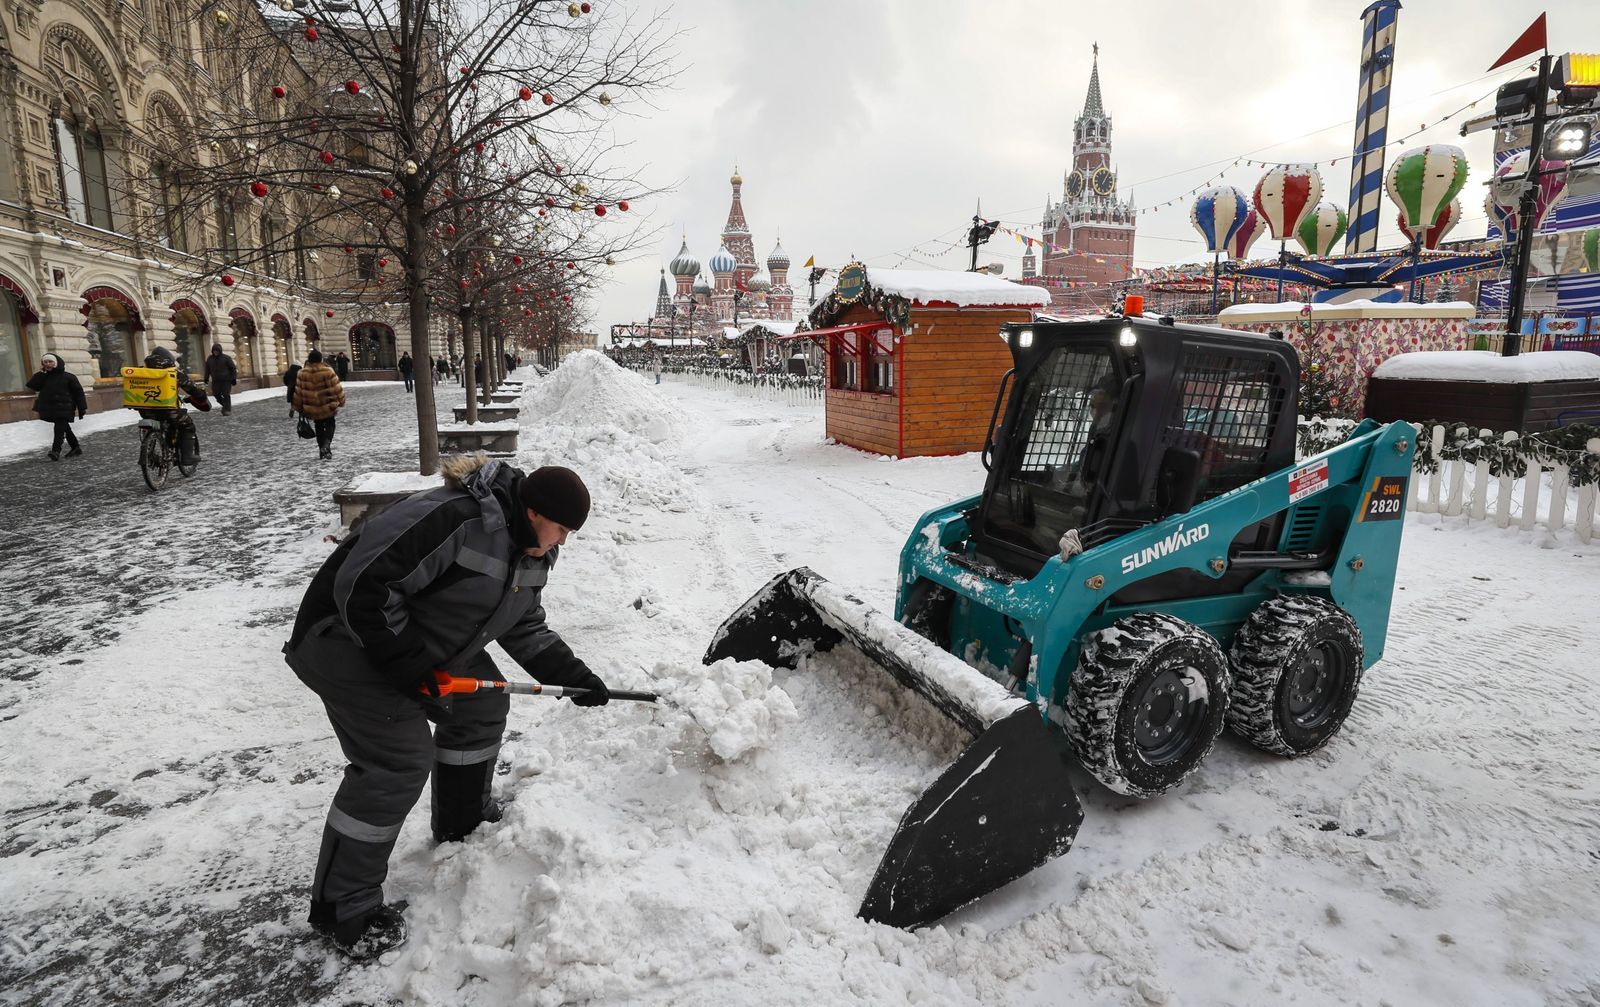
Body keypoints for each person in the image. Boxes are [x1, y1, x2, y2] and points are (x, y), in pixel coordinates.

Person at [282, 457, 608, 959]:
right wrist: (412, 669)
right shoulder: (454, 517)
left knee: (482, 702)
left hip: (413, 639)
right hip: (343, 639)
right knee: (396, 761)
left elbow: (522, 625)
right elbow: (364, 589)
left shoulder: (531, 551)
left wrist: (575, 678)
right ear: (532, 509)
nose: (563, 540)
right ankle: (342, 908)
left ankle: (461, 819)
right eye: (561, 528)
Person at [27, 352, 88, 461]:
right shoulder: (44, 376)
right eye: (45, 362)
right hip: (50, 408)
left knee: (59, 428)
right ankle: (75, 447)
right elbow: (33, 386)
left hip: (65, 407)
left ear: (56, 363)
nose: (48, 364)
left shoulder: (69, 377)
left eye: (50, 361)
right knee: (65, 428)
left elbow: (78, 393)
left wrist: (82, 408)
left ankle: (56, 451)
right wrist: (41, 373)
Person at [293, 349, 346, 460]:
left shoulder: (302, 373)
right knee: (331, 423)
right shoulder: (328, 371)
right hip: (328, 405)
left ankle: (323, 452)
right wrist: (341, 401)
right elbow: (337, 388)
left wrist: (297, 407)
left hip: (312, 407)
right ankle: (327, 444)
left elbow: (298, 392)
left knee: (319, 426)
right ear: (320, 359)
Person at [204, 343, 238, 415]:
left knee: (226, 394)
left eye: (217, 351)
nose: (215, 352)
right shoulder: (210, 359)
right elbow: (207, 370)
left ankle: (227, 410)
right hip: (216, 381)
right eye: (214, 351)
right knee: (216, 394)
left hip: (226, 380)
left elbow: (233, 368)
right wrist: (206, 378)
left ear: (220, 351)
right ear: (212, 351)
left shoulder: (226, 358)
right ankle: (225, 406)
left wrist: (233, 378)